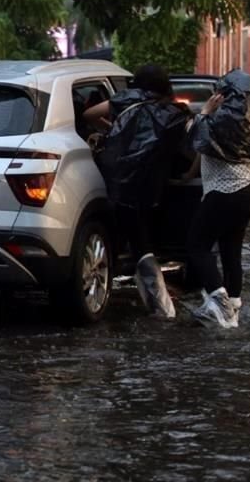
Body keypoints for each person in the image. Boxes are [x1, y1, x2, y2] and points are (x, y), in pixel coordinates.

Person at [84, 64, 191, 318]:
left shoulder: (126, 101)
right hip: (154, 185)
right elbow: (187, 146)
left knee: (137, 240)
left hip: (120, 182)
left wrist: (112, 129)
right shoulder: (174, 112)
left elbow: (89, 114)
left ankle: (161, 304)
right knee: (143, 239)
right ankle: (160, 304)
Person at [186, 69, 250, 329]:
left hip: (224, 192)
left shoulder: (219, 120)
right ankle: (232, 310)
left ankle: (219, 302)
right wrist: (189, 174)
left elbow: (194, 137)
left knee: (196, 245)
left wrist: (205, 112)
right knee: (231, 251)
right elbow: (207, 149)